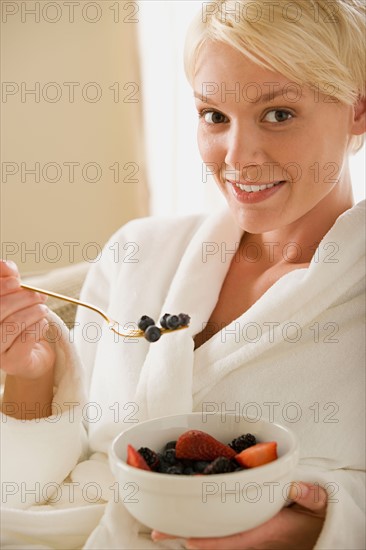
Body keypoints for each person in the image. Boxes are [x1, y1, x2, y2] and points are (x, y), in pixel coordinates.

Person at [1, 0, 365, 548]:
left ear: (358, 111)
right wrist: (32, 377)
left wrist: (310, 528)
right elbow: (26, 485)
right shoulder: (138, 252)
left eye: (279, 114)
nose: (238, 157)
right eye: (214, 116)